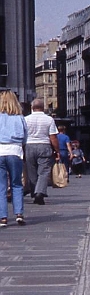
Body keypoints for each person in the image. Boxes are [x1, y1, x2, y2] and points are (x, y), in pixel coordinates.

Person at [24, 98, 59, 205]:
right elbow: (53, 137)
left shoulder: (25, 119)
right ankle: (40, 192)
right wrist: (57, 150)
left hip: (29, 145)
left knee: (32, 171)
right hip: (44, 145)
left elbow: (22, 135)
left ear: (32, 107)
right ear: (43, 107)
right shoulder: (49, 119)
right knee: (43, 172)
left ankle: (35, 193)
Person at [0, 90, 27, 226]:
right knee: (16, 184)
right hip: (15, 151)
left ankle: (3, 217)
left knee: (1, 186)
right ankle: (19, 214)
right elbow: (25, 137)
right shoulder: (20, 117)